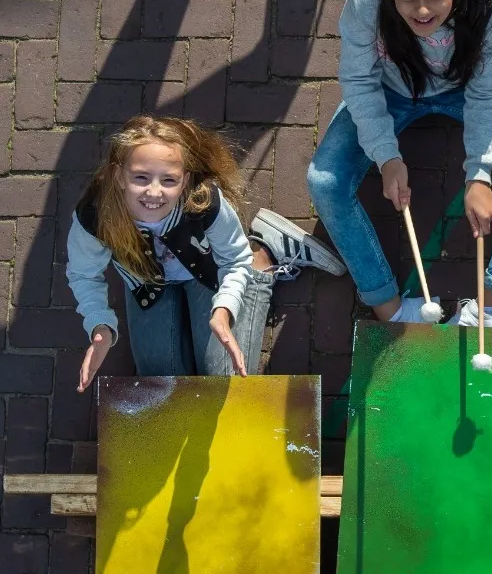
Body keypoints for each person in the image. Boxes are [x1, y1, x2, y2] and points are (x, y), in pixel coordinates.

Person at [308, 0, 492, 328]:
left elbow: (487, 95)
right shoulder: (365, 5)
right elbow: (360, 83)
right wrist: (386, 155)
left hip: (469, 88)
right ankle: (393, 311)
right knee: (324, 183)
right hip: (391, 93)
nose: (421, 11)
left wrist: (479, 173)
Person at [67, 115, 345, 390]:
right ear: (118, 176)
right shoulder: (94, 215)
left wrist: (224, 309)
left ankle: (265, 255)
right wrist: (100, 324)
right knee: (165, 389)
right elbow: (83, 274)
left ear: (185, 180)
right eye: (141, 177)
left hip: (206, 273)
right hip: (147, 283)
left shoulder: (204, 201)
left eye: (168, 180)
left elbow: (235, 260)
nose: (154, 192)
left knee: (224, 384)